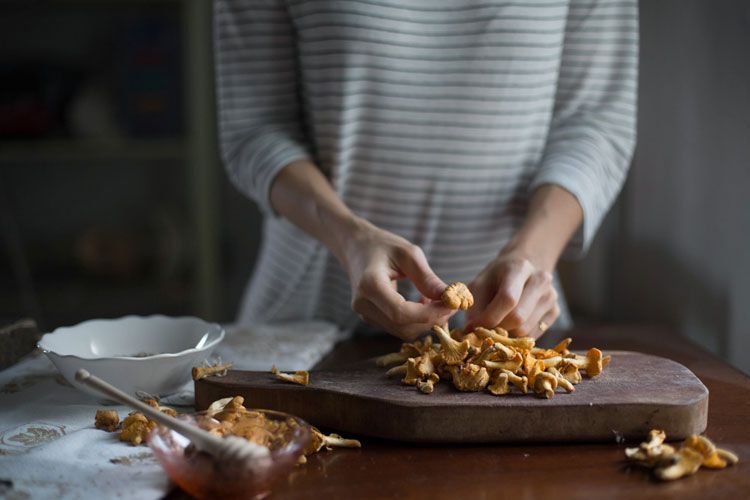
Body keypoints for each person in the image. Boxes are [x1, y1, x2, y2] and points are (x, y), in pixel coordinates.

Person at [214, 0, 637, 340]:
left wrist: (533, 255)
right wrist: (351, 239)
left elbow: (594, 125)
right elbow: (255, 129)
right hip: (311, 318)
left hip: (513, 323)